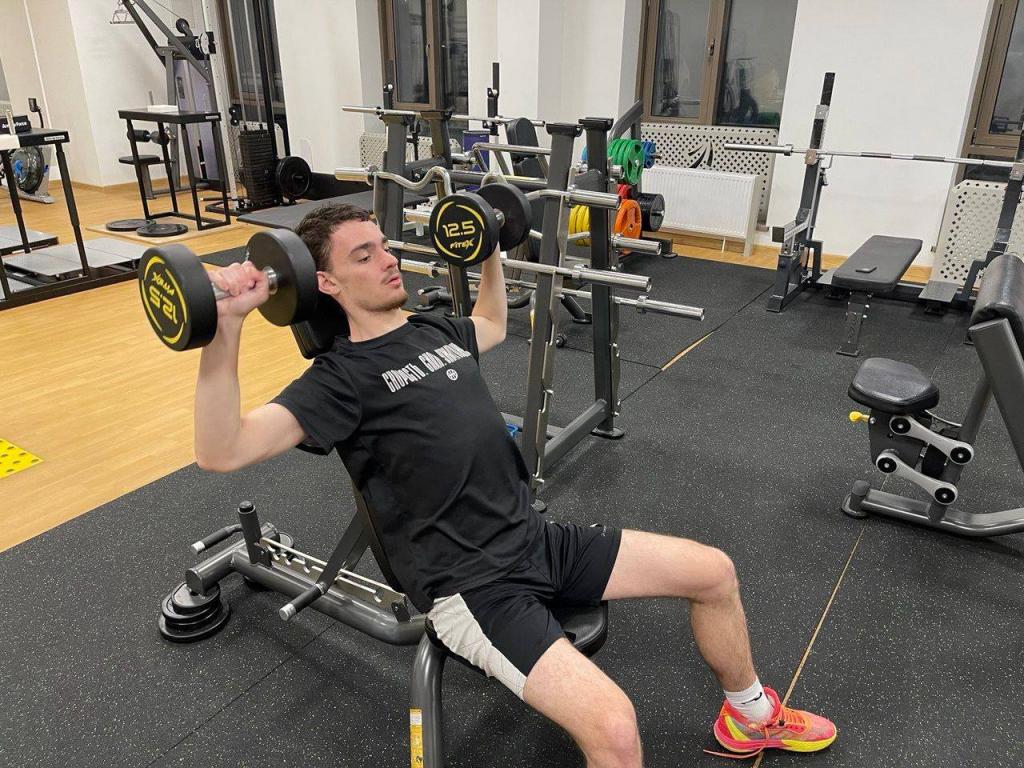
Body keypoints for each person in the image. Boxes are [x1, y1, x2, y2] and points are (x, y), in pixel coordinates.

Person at [194, 203, 837, 767]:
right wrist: (227, 328)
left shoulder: (431, 329)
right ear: (327, 282)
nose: (389, 260)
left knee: (713, 572)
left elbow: (493, 323)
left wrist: (489, 247)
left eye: (384, 246)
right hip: (474, 587)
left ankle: (749, 716)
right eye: (364, 256)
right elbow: (222, 450)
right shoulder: (339, 379)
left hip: (535, 540)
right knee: (615, 728)